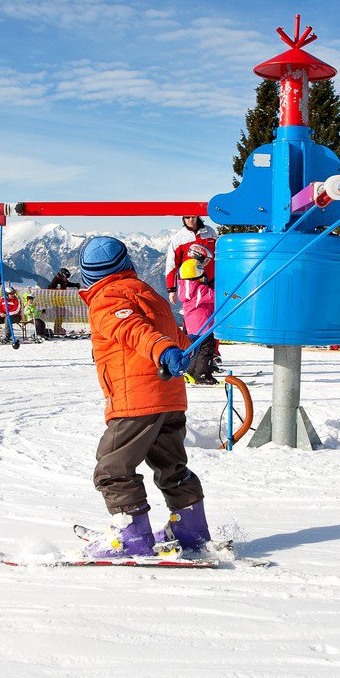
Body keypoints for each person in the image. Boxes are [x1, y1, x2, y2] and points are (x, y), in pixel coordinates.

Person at [76, 235, 212, 559]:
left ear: (88, 276)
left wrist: (163, 350)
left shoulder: (106, 298)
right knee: (171, 465)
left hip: (137, 400)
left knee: (112, 466)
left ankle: (132, 535)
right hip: (169, 398)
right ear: (128, 263)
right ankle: (190, 528)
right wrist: (178, 351)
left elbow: (134, 330)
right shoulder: (148, 293)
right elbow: (175, 335)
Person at [174, 239, 221, 383]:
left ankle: (191, 371)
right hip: (204, 326)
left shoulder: (185, 287)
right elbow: (216, 296)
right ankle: (202, 375)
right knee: (207, 349)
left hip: (194, 327)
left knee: (196, 350)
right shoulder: (200, 291)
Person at [164, 215, 208, 304]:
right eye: (187, 217)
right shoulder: (179, 238)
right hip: (190, 283)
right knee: (194, 311)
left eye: (193, 217)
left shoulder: (210, 232)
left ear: (197, 217)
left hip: (210, 281)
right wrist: (171, 289)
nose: (190, 220)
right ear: (183, 218)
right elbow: (171, 264)